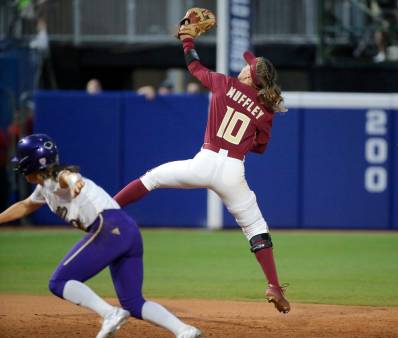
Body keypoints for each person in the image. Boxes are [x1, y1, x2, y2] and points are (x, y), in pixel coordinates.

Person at [114, 28, 290, 314]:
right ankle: (272, 285)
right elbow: (260, 148)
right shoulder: (265, 110)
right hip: (233, 170)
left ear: (249, 76)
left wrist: (187, 40)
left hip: (204, 161)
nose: (245, 65)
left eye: (248, 65)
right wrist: (253, 124)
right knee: (256, 228)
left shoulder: (225, 83)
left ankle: (108, 209)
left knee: (152, 179)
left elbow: (194, 66)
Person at [0, 134, 202, 338]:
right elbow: (25, 205)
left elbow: (66, 176)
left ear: (29, 164)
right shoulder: (43, 188)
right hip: (127, 231)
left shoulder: (54, 178)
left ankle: (110, 313)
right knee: (133, 303)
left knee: (58, 282)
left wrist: (74, 181)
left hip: (108, 227)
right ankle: (184, 330)